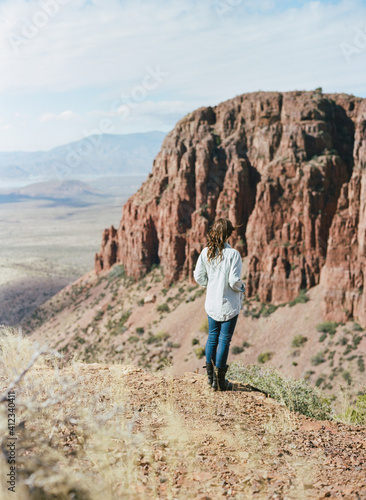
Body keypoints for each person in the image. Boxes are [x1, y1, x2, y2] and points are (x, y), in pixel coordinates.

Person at [193, 218, 245, 391]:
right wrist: (242, 287)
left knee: (212, 338)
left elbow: (198, 277)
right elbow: (233, 281)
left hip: (212, 304)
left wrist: (211, 284)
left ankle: (210, 380)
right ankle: (220, 382)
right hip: (229, 305)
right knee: (224, 340)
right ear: (229, 233)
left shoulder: (206, 252)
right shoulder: (233, 254)